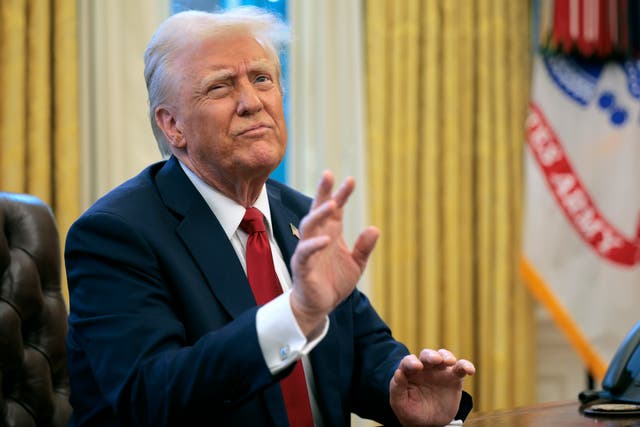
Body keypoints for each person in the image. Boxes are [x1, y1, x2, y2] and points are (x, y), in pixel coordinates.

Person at [65, 7, 475, 427]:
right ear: (173, 127)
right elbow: (151, 397)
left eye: (262, 79)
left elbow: (358, 351)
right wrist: (295, 315)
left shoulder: (300, 213)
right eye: (221, 87)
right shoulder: (115, 234)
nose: (252, 102)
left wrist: (401, 390)